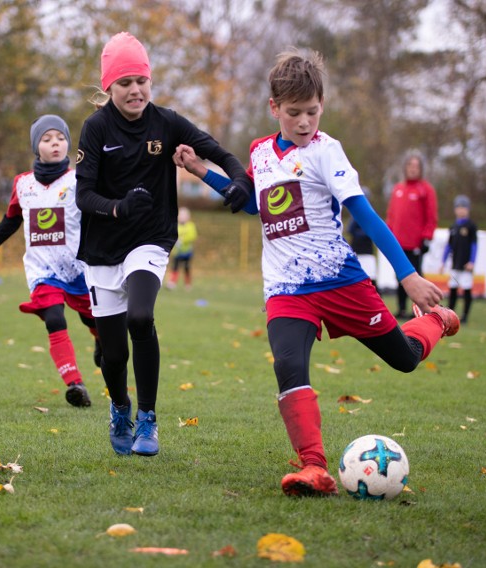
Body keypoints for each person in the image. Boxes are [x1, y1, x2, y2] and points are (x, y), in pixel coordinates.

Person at [174, 48, 459, 497]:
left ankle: (436, 322)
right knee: (289, 367)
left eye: (312, 111)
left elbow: (365, 215)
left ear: (321, 105)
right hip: (287, 288)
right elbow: (252, 204)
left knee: (404, 358)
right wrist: (200, 170)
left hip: (340, 281)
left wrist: (407, 275)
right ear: (274, 108)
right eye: (294, 113)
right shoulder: (261, 153)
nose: (304, 122)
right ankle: (314, 468)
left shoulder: (328, 152)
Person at [75, 32, 252, 456]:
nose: (135, 90)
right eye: (124, 83)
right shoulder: (95, 128)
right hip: (102, 249)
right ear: (109, 88)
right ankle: (120, 407)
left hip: (151, 239)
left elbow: (220, 154)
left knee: (141, 316)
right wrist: (118, 207)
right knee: (113, 354)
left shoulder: (167, 122)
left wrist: (241, 182)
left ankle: (148, 421)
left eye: (141, 80)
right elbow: (83, 195)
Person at [0, 114, 100, 408]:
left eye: (60, 138)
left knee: (92, 319)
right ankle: (75, 383)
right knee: (54, 318)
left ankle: (99, 338)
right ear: (36, 146)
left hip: (80, 268)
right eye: (47, 139)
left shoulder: (80, 179)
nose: (55, 144)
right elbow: (11, 220)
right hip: (42, 269)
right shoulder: (23, 184)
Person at [386, 152, 438, 319]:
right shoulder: (398, 189)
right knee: (399, 277)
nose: (413, 169)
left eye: (416, 166)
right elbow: (391, 215)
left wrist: (427, 237)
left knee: (416, 277)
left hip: (415, 244)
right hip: (398, 243)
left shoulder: (426, 190)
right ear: (405, 168)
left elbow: (431, 215)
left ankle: (421, 309)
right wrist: (388, 236)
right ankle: (401, 309)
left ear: (421, 169)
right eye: (410, 166)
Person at [440, 195, 478, 324]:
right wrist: (443, 262)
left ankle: (465, 316)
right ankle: (451, 315)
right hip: (455, 265)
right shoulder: (453, 227)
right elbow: (449, 246)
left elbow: (474, 245)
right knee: (453, 288)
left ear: (468, 209)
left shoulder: (471, 226)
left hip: (466, 265)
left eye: (464, 207)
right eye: (458, 207)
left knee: (466, 289)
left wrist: (472, 261)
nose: (461, 210)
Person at [347, 187, 378, 291]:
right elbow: (350, 230)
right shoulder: (355, 215)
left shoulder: (371, 214)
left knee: (371, 279)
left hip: (367, 252)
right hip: (357, 251)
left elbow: (372, 231)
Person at [167, 206, 198, 290]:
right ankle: (172, 283)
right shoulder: (176, 225)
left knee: (186, 268)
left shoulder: (190, 226)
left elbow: (193, 236)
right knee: (175, 267)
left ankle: (188, 284)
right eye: (180, 215)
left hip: (187, 252)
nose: (182, 217)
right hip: (177, 252)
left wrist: (183, 240)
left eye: (184, 216)